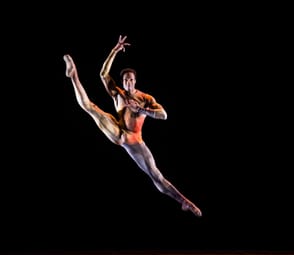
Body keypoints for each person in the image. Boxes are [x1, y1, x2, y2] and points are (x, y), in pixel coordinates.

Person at [63, 35, 202, 217]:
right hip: (117, 131)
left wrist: (143, 110)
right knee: (90, 107)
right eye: (125, 80)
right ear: (123, 82)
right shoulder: (118, 95)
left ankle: (184, 201)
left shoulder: (145, 98)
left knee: (156, 176)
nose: (128, 83)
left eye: (131, 80)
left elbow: (164, 115)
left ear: (135, 81)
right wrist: (115, 50)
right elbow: (103, 74)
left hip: (135, 140)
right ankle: (73, 75)